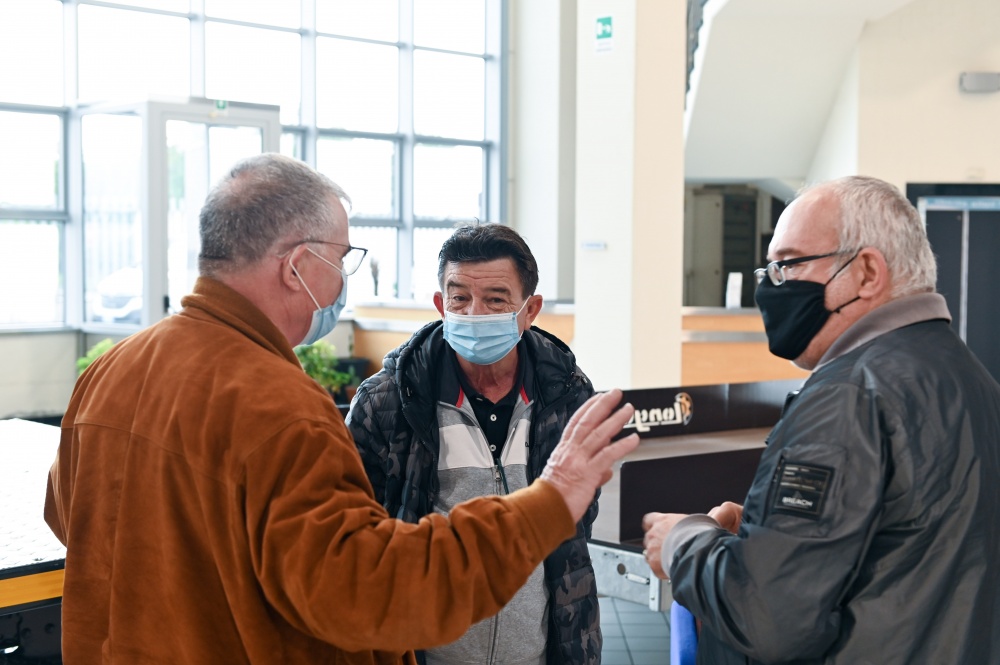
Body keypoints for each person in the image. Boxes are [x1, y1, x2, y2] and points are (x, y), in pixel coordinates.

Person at [43, 153, 640, 665]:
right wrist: (549, 499)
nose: (340, 284)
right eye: (341, 260)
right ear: (297, 266)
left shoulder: (109, 371)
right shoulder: (279, 405)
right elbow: (370, 592)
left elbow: (72, 518)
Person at [642, 175, 1000, 664]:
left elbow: (768, 617)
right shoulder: (970, 378)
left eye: (788, 265)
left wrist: (683, 542)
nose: (771, 287)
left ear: (868, 272)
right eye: (767, 270)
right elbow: (909, 552)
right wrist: (770, 535)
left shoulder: (848, 395)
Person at [346, 223, 601, 665]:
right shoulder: (387, 401)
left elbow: (575, 526)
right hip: (423, 652)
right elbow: (356, 535)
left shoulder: (567, 396)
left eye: (496, 299)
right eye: (460, 297)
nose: (474, 313)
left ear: (530, 309)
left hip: (540, 649)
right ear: (441, 304)